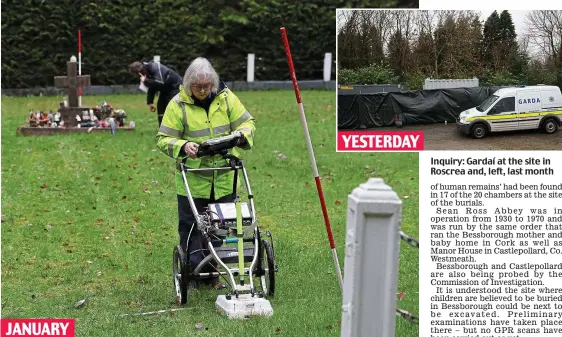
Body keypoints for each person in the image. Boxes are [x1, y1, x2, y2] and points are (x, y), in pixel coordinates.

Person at [155, 57, 255, 287]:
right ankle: (193, 273)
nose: (202, 91)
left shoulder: (227, 99)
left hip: (224, 176)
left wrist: (241, 136)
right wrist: (182, 146)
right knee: (192, 228)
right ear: (189, 84)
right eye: (197, 87)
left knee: (220, 226)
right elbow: (163, 139)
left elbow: (248, 123)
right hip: (194, 178)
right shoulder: (177, 104)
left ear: (213, 83)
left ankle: (212, 273)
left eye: (206, 86)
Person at [128, 60, 183, 127]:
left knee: (171, 106)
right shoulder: (147, 72)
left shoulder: (154, 67)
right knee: (161, 105)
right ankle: (162, 128)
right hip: (166, 88)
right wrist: (150, 102)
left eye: (137, 74)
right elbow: (152, 87)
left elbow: (160, 82)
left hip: (176, 86)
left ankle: (177, 127)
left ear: (139, 72)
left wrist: (146, 81)